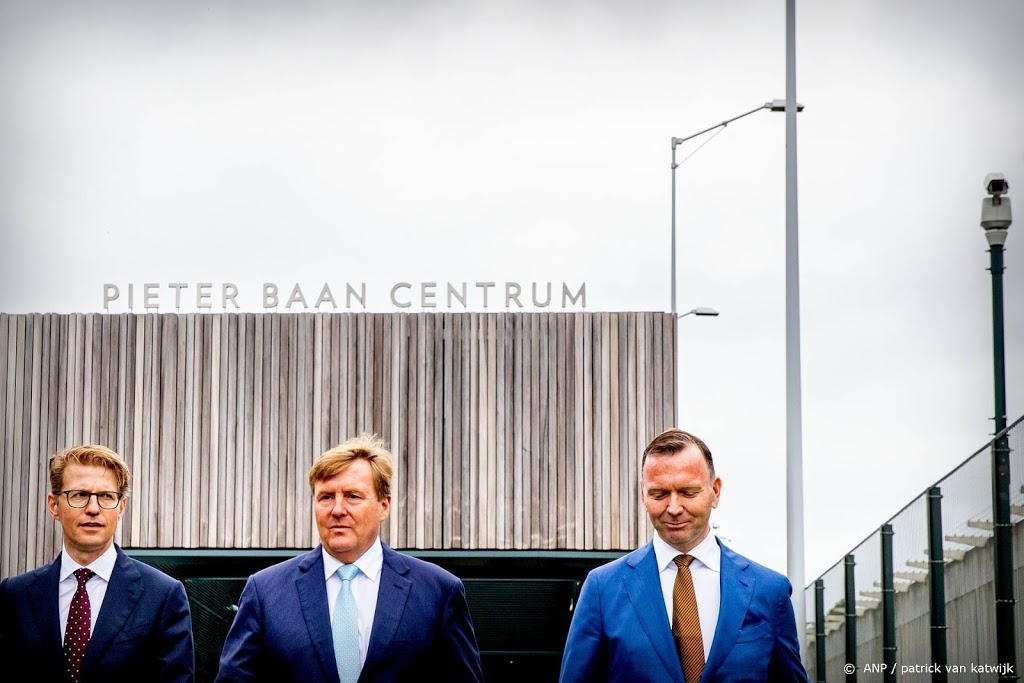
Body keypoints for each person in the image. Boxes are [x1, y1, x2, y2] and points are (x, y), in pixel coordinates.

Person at [215, 433, 484, 683]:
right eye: (326, 497)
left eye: (352, 496)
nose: (337, 509)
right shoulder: (265, 592)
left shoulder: (438, 592)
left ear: (383, 506)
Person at [560, 428, 808, 682]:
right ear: (643, 496)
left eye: (688, 492)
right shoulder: (602, 588)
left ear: (715, 491)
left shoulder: (769, 590)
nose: (674, 508)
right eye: (659, 494)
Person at [0, 444, 195, 682]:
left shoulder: (163, 595)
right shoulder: (15, 594)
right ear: (54, 505)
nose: (93, 508)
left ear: (121, 507)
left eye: (106, 496)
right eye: (80, 495)